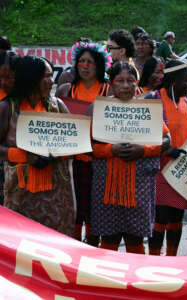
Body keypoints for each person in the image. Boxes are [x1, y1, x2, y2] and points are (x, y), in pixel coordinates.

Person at [88, 61, 170, 253]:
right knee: (109, 236)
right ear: (111, 84)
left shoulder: (147, 109)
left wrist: (144, 150)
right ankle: (109, 280)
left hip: (138, 182)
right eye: (120, 81)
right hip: (107, 182)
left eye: (130, 81)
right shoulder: (99, 109)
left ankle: (135, 279)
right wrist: (111, 150)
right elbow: (87, 146)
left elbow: (167, 140)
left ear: (137, 82)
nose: (125, 85)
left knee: (135, 236)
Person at [0, 55, 75, 236]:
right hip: (21, 193)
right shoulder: (7, 108)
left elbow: (76, 143)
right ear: (30, 78)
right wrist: (26, 156)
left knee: (56, 244)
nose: (51, 81)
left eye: (51, 76)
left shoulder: (58, 106)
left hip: (57, 194)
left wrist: (56, 153)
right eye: (46, 77)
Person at [56, 41, 112, 245]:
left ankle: (92, 244)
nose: (85, 65)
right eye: (81, 61)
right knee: (73, 205)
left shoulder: (109, 90)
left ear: (99, 65)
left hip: (99, 157)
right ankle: (73, 243)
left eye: (90, 62)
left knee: (95, 207)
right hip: (71, 159)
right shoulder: (64, 90)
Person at [148, 60, 187, 256]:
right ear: (173, 81)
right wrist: (166, 151)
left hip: (183, 171)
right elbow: (144, 134)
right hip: (160, 169)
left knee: (177, 215)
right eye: (186, 80)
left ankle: (171, 258)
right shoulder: (154, 99)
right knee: (160, 217)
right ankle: (154, 259)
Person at [0, 50, 20, 206]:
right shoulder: (5, 106)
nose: (3, 82)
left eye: (9, 78)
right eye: (0, 77)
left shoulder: (18, 102)